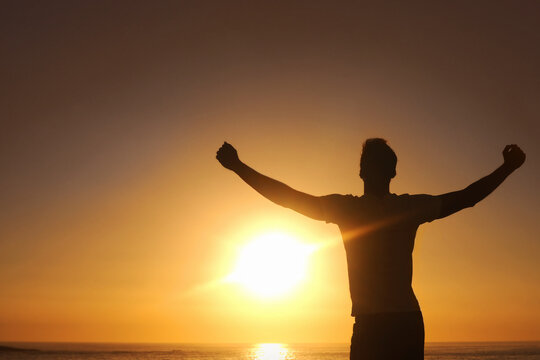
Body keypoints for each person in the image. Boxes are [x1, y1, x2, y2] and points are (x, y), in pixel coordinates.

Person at [216, 139, 526, 360]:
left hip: (395, 322)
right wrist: (507, 168)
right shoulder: (380, 207)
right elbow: (467, 197)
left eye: (379, 166)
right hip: (386, 321)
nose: (375, 172)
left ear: (379, 172)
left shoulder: (378, 207)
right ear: (368, 172)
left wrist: (238, 166)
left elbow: (466, 197)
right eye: (373, 166)